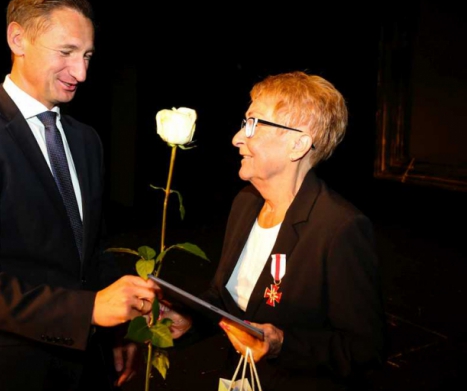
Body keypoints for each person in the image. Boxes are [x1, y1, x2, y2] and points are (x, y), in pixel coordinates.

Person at [0, 0, 157, 391]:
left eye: (87, 55)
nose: (81, 72)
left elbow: (92, 252)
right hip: (6, 372)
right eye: (66, 52)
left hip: (88, 365)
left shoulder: (87, 140)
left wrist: (119, 330)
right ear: (18, 39)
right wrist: (87, 311)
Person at [162, 71, 386, 390]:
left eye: (253, 124)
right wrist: (189, 320)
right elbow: (227, 299)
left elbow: (365, 350)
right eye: (244, 123)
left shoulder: (340, 228)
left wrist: (283, 344)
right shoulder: (246, 203)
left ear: (298, 144)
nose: (237, 138)